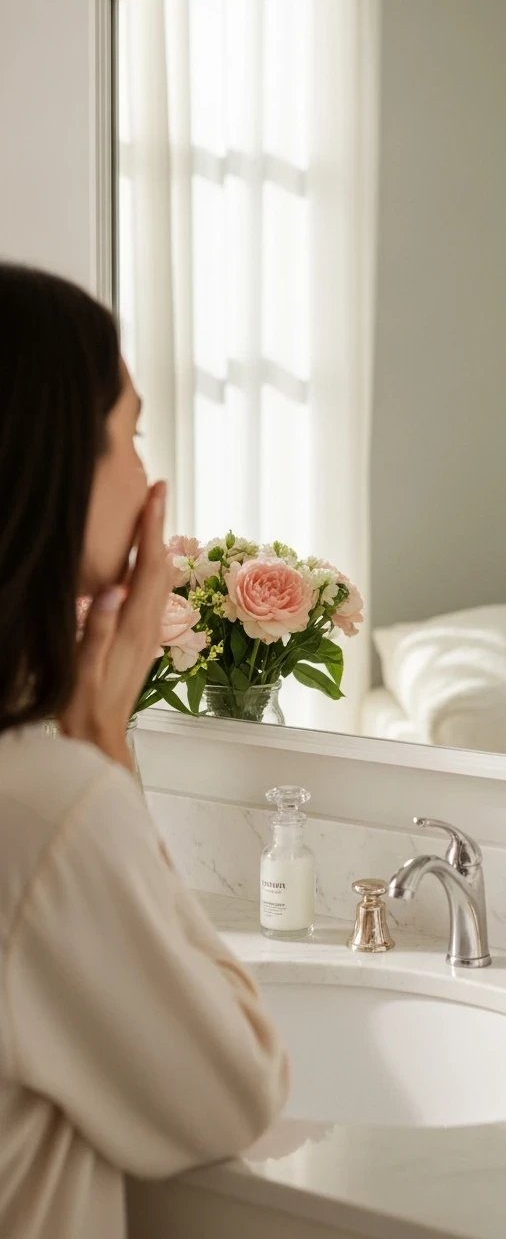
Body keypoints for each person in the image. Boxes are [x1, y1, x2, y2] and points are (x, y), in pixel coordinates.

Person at [0, 262, 290, 1239]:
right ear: (43, 461)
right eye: (127, 435)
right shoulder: (47, 806)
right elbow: (236, 1091)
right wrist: (107, 761)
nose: (149, 480)